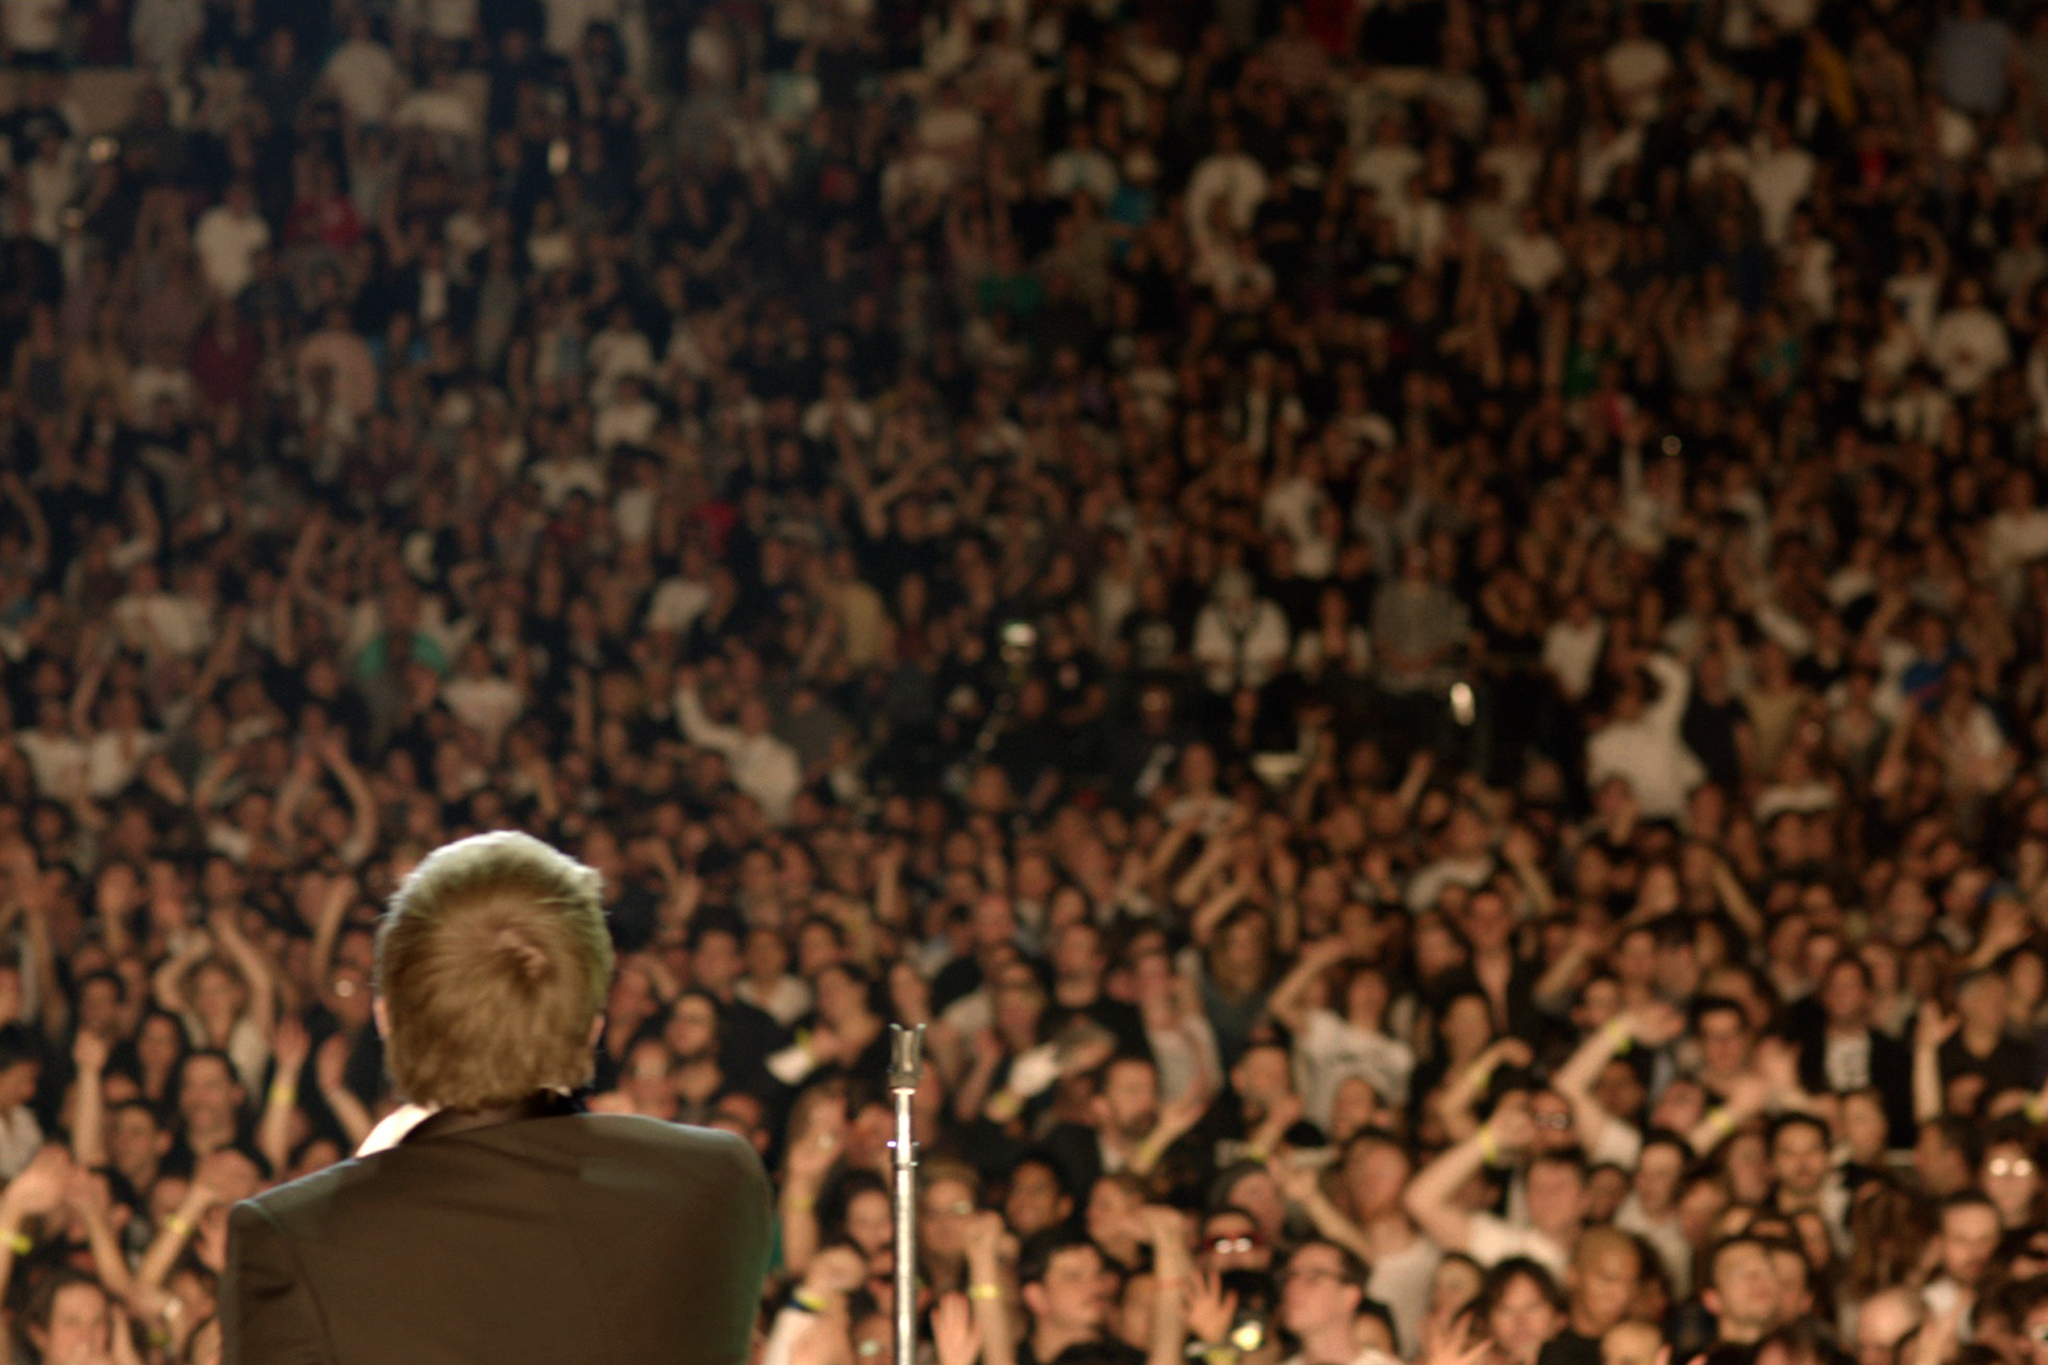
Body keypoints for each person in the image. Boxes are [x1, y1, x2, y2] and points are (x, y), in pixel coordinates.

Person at [220, 831, 773, 1364]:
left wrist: (363, 1185)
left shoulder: (292, 1238)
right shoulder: (720, 1177)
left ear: (387, 1018)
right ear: (591, 1029)